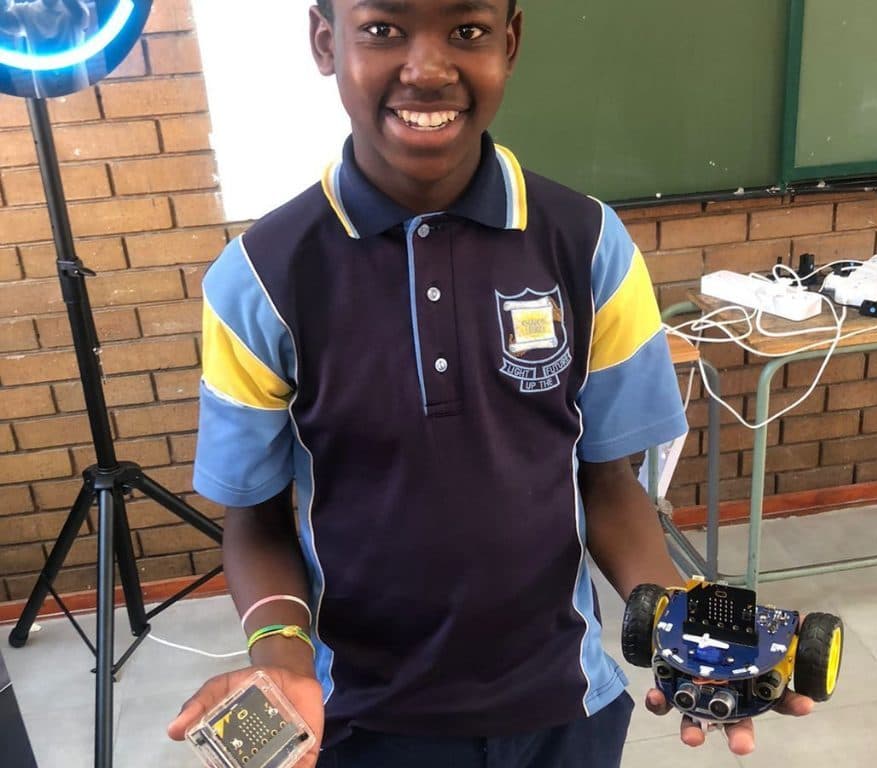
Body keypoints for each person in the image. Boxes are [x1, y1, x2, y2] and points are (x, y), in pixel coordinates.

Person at [167, 2, 814, 766]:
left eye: (466, 31)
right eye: (383, 29)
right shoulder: (260, 279)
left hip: (566, 709)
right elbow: (257, 517)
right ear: (324, 40)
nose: (428, 68)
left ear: (509, 42)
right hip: (360, 723)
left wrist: (682, 627)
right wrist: (280, 654)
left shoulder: (590, 244)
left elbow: (608, 485)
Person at [0, 0, 92, 97]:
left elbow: (81, 16)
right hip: (47, 98)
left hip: (78, 93)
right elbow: (3, 19)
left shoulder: (74, 8)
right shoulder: (25, 11)